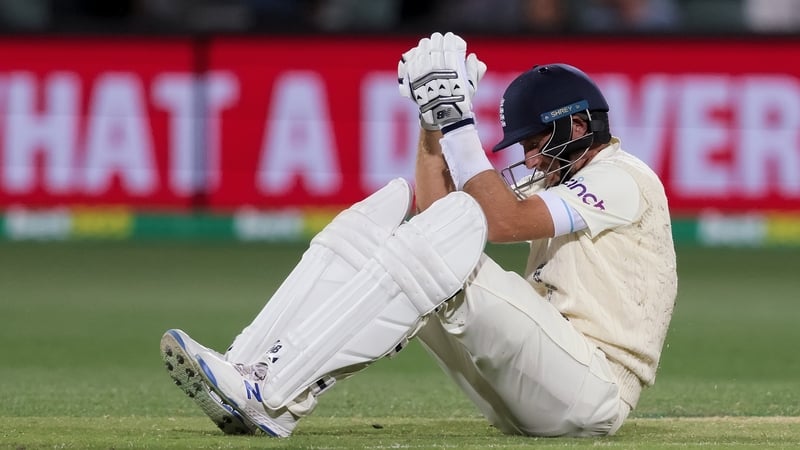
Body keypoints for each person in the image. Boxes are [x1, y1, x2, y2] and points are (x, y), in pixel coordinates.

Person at [160, 31, 677, 438]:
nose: (531, 158)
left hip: (593, 387)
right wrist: (433, 124)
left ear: (579, 127)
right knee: (375, 229)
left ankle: (272, 397)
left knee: (435, 247)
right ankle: (248, 365)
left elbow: (496, 223)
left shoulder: (622, 176)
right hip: (540, 386)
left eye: (537, 142)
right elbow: (440, 215)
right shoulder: (574, 179)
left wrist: (458, 120)